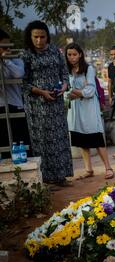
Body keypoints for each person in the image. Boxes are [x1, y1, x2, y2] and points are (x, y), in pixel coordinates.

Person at [22, 20, 73, 187]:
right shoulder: (27, 54)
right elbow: (24, 82)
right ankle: (45, 180)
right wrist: (42, 92)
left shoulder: (55, 51)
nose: (39, 40)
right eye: (35, 37)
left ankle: (61, 176)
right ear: (30, 37)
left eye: (42, 36)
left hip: (57, 103)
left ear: (47, 36)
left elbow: (64, 74)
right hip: (37, 106)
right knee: (42, 141)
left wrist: (64, 86)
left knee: (59, 138)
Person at [65, 43, 114, 180]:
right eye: (69, 54)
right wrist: (75, 92)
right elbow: (65, 91)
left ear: (80, 54)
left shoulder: (88, 69)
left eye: (74, 54)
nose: (72, 57)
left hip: (89, 109)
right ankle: (88, 169)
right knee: (81, 139)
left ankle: (108, 167)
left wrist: (76, 92)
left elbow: (91, 90)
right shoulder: (66, 71)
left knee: (96, 138)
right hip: (75, 109)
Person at [0, 28, 32, 159]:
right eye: (3, 46)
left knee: (21, 143)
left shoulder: (16, 59)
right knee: (3, 143)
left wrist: (6, 60)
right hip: (1, 106)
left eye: (8, 45)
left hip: (16, 105)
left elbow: (19, 73)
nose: (6, 49)